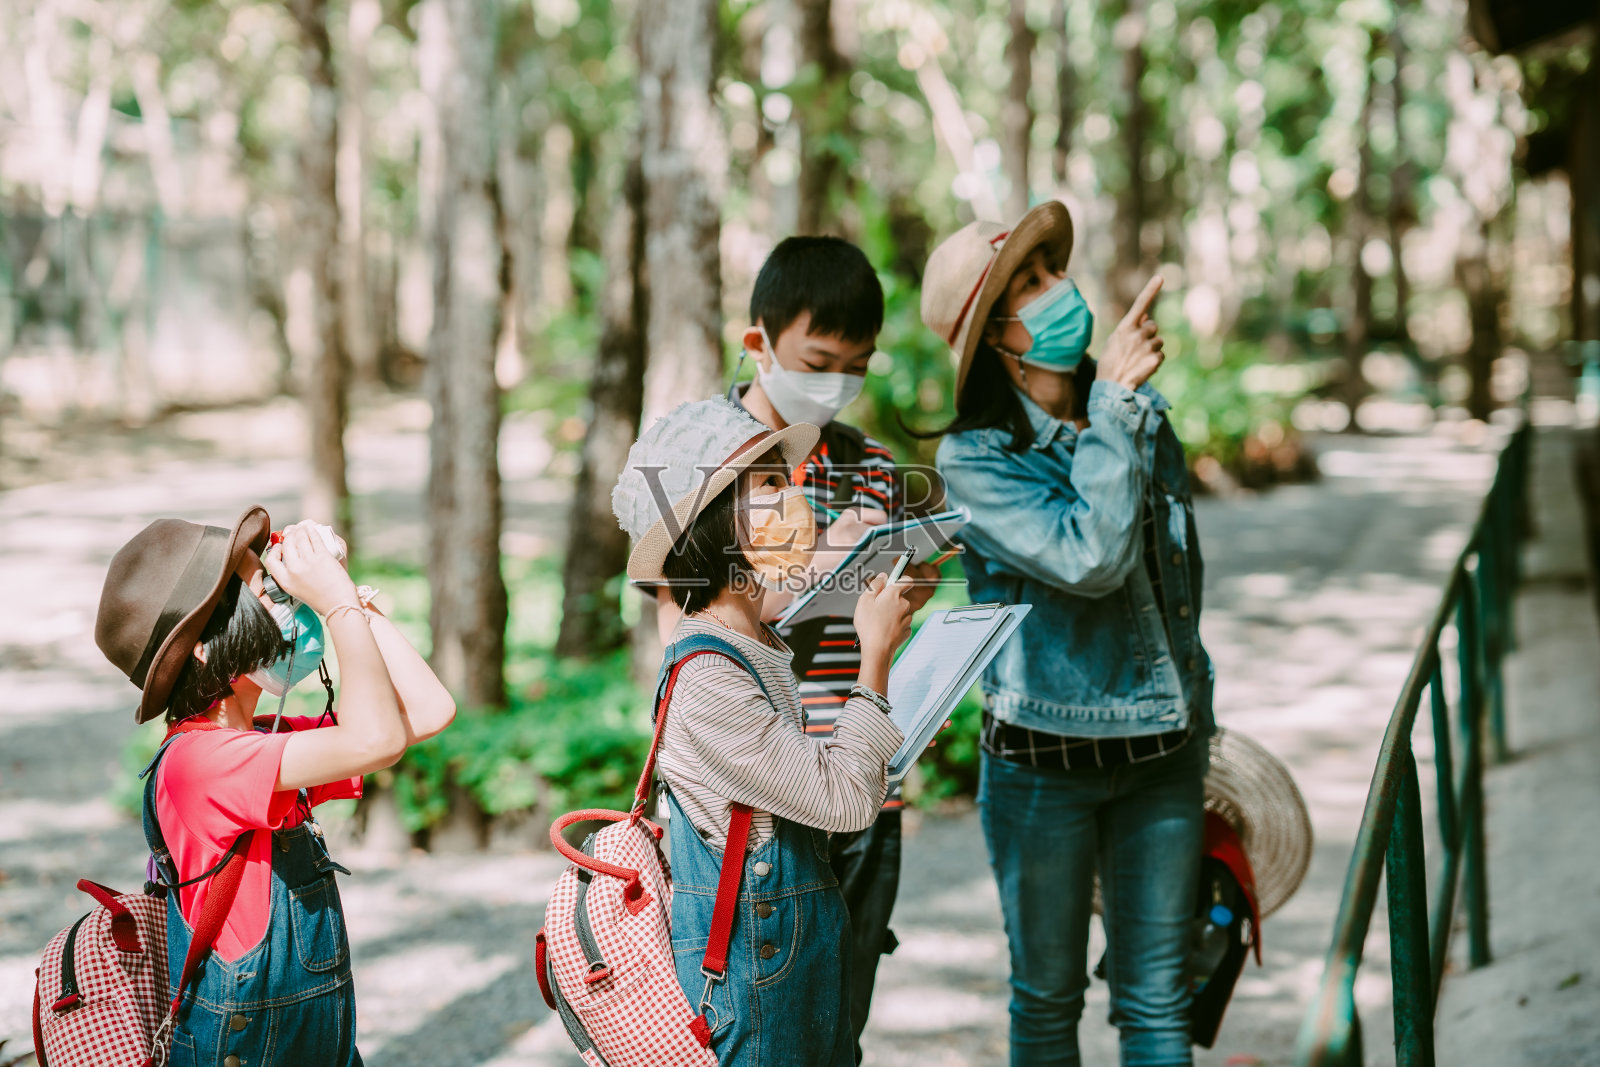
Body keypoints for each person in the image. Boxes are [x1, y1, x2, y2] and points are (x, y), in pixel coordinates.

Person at [919, 202, 1214, 1067]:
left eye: (1052, 271)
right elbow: (1091, 557)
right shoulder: (976, 460)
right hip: (1043, 766)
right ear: (994, 338)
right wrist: (1115, 404)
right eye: (1029, 285)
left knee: (1159, 996)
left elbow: (1175, 585)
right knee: (1047, 1001)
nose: (1059, 290)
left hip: (1164, 751)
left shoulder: (1138, 414)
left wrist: (1202, 711)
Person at [612, 396, 918, 1066]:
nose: (797, 497)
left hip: (790, 963)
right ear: (715, 522)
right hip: (754, 982)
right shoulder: (708, 673)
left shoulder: (755, 641)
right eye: (772, 484)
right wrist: (875, 657)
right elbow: (843, 801)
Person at [93, 509, 457, 1065]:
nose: (290, 603)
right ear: (204, 645)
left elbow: (428, 710)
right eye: (269, 593)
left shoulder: (261, 742)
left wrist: (350, 594)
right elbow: (377, 740)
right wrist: (334, 602)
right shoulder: (202, 763)